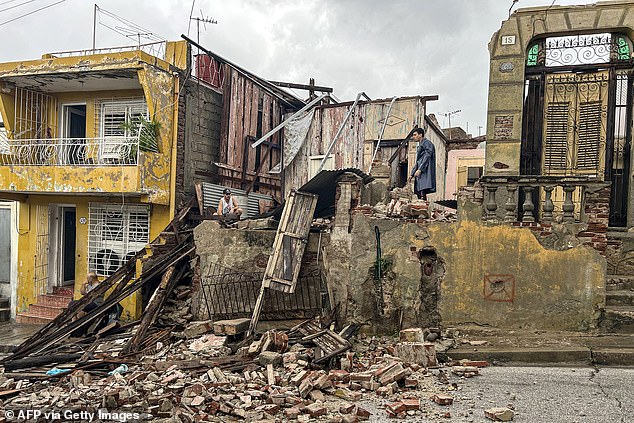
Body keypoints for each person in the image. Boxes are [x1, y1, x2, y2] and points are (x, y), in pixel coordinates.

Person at [408, 127, 436, 200]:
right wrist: (412, 174)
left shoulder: (427, 143)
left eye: (415, 135)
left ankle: (423, 209)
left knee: (422, 192)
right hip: (421, 171)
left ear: (420, 135)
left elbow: (427, 157)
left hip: (425, 171)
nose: (413, 137)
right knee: (418, 192)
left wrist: (420, 169)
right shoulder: (420, 145)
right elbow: (418, 161)